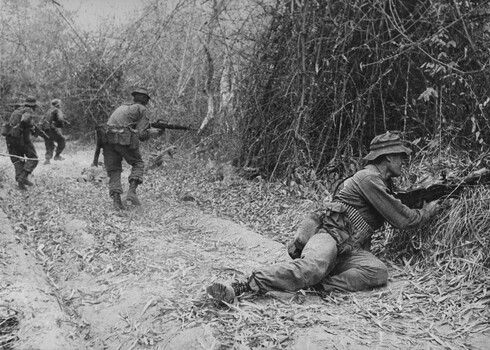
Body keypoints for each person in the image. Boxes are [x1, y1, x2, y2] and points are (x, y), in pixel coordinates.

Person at [206, 132, 440, 303]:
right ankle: (242, 285)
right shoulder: (368, 179)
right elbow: (403, 219)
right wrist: (427, 211)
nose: (403, 161)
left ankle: (320, 286)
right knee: (311, 268)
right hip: (328, 237)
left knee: (377, 271)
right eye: (400, 156)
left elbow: (398, 204)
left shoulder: (382, 183)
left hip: (348, 249)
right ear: (388, 157)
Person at [102, 87, 160, 210]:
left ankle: (117, 200)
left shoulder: (122, 107)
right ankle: (132, 193)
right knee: (138, 163)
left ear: (134, 97)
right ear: (144, 99)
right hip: (124, 139)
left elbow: (123, 123)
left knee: (114, 169)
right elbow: (141, 135)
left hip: (108, 139)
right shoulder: (142, 109)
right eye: (147, 99)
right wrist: (153, 132)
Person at [4, 96, 40, 190]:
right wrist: (31, 126)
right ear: (33, 105)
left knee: (17, 160)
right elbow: (25, 120)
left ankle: (21, 184)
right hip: (21, 139)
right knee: (34, 158)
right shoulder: (28, 110)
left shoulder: (16, 111)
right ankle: (22, 177)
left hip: (10, 139)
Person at [42, 98, 67, 164]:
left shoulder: (49, 111)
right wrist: (60, 125)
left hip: (45, 130)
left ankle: (47, 159)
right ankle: (57, 156)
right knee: (62, 140)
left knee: (49, 144)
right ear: (58, 105)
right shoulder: (57, 110)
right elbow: (60, 120)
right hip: (52, 129)